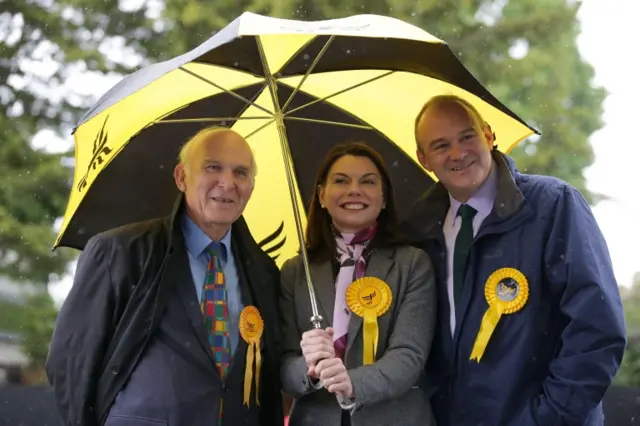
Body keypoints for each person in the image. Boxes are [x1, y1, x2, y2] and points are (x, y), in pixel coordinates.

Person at [404, 94, 627, 426]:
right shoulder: (416, 234)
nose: (458, 153)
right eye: (440, 145)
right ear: (424, 159)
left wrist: (545, 419)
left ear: (489, 135)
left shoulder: (553, 206)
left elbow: (596, 328)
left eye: (467, 136)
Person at [46, 127, 284, 426]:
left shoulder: (263, 271)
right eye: (213, 167)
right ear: (181, 177)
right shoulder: (119, 252)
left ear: (251, 186)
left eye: (241, 173)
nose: (227, 183)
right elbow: (70, 362)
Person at [279, 141, 437, 426]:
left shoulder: (413, 264)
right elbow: (284, 364)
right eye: (341, 181)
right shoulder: (295, 271)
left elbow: (409, 355)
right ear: (322, 195)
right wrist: (310, 369)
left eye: (368, 182)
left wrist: (352, 382)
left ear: (384, 197)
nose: (354, 190)